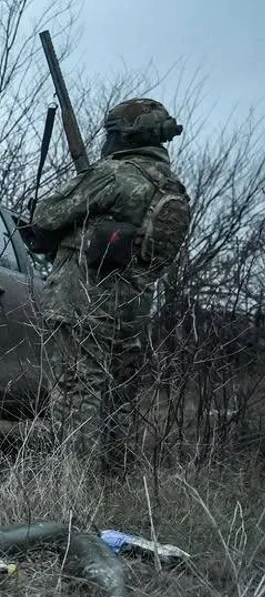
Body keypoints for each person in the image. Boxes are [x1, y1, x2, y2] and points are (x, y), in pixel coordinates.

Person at [28, 98, 192, 474]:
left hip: (83, 301)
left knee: (76, 391)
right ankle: (114, 481)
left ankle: (78, 489)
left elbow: (47, 216)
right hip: (131, 308)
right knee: (117, 395)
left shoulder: (115, 174)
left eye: (110, 134)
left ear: (124, 136)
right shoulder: (170, 187)